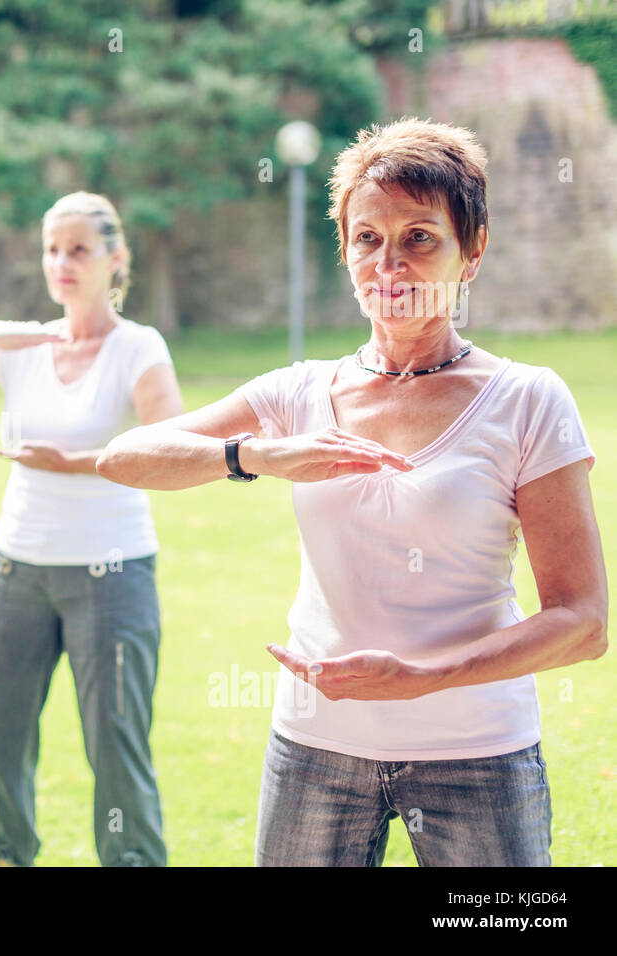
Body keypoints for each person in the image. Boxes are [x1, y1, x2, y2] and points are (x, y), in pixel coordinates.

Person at [98, 118, 607, 866]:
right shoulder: (298, 392)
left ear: (474, 250)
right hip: (315, 747)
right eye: (367, 239)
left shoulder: (528, 400)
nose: (389, 264)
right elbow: (125, 457)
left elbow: (583, 621)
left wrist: (426, 679)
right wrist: (261, 456)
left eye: (420, 238)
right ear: (344, 252)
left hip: (476, 754)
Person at [0, 192, 184, 866]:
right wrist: (0, 334)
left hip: (112, 575)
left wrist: (75, 464)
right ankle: (8, 855)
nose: (62, 262)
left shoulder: (138, 347)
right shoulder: (23, 346)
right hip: (17, 568)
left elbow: (173, 450)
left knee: (115, 743)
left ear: (116, 257)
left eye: (79, 249)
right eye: (52, 248)